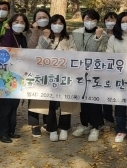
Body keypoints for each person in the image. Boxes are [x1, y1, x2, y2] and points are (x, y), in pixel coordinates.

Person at [37, 14, 79, 142]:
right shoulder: (43, 37)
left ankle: (64, 127)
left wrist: (63, 55)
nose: (57, 26)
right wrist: (45, 38)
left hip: (65, 74)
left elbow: (74, 51)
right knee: (49, 102)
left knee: (65, 101)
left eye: (60, 23)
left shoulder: (68, 38)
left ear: (64, 25)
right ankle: (52, 129)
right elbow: (37, 52)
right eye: (55, 23)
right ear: (50, 24)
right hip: (48, 75)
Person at [72, 9, 109, 141]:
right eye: (87, 19)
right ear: (83, 19)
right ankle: (84, 124)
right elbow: (75, 50)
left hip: (96, 72)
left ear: (97, 21)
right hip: (80, 71)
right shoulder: (76, 33)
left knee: (94, 100)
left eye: (93, 19)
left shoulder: (103, 34)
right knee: (83, 99)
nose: (90, 22)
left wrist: (97, 38)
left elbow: (98, 52)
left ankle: (95, 126)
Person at [107, 12, 127, 143]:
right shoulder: (113, 39)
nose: (126, 24)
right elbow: (109, 54)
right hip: (119, 75)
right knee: (119, 104)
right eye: (123, 22)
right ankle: (121, 129)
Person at [0, 12, 29, 143]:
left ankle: (11, 130)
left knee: (14, 105)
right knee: (5, 105)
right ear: (10, 24)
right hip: (7, 75)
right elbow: (4, 49)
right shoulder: (6, 36)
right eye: (16, 22)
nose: (19, 24)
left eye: (22, 22)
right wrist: (8, 31)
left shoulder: (23, 38)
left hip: (19, 75)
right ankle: (2, 133)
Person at [26, 8, 51, 138]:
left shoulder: (53, 30)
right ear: (34, 20)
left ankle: (47, 121)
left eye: (44, 17)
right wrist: (35, 31)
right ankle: (34, 123)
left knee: (47, 95)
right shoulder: (30, 31)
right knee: (34, 95)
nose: (42, 20)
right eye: (39, 18)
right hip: (33, 68)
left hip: (49, 68)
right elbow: (31, 47)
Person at [101, 11, 119, 127]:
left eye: (113, 20)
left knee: (117, 94)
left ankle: (119, 118)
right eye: (107, 20)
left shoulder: (120, 35)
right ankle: (108, 118)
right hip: (103, 69)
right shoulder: (101, 34)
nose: (110, 22)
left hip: (118, 69)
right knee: (105, 94)